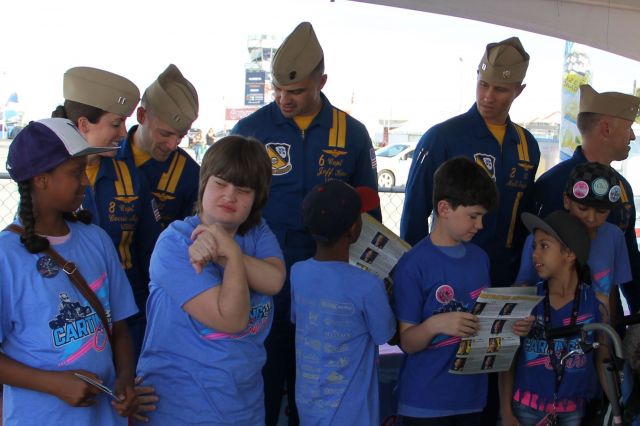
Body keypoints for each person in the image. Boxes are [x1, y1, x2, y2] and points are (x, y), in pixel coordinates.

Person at [232, 22, 380, 426]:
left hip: (328, 288)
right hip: (264, 280)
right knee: (262, 378)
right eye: (277, 90)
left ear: (322, 81)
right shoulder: (250, 132)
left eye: (295, 91)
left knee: (317, 387)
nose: (284, 99)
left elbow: (370, 214)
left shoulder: (351, 133)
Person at [136, 136, 286, 425]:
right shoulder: (175, 243)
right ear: (204, 183)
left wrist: (228, 253)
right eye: (221, 183)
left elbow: (275, 280)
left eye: (243, 190)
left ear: (257, 198)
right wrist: (230, 254)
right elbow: (231, 320)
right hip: (183, 408)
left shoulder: (255, 231)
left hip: (243, 407)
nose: (230, 195)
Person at [0, 118, 140, 424]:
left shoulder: (97, 240)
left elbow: (120, 328)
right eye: (76, 173)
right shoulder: (6, 257)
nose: (86, 182)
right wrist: (54, 384)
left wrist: (125, 378)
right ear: (41, 179)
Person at [392, 157, 534, 426]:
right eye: (473, 216)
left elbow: (486, 323)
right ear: (444, 208)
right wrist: (436, 324)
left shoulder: (480, 258)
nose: (479, 225)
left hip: (473, 398)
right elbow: (408, 342)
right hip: (425, 403)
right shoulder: (414, 264)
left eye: (482, 217)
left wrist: (512, 323)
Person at [400, 37, 540, 288]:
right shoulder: (442, 137)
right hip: (447, 273)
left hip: (505, 276)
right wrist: (417, 271)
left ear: (518, 90)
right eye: (483, 84)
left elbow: (523, 218)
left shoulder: (526, 146)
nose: (487, 96)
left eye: (500, 89)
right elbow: (414, 213)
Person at [51, 66, 162, 359]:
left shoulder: (130, 177)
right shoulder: (48, 181)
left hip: (128, 317)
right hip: (66, 322)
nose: (124, 134)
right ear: (84, 124)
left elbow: (149, 252)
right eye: (116, 124)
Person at [290, 180, 395, 425]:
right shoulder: (368, 285)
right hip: (354, 415)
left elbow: (298, 319)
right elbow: (385, 334)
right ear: (353, 229)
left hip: (309, 409)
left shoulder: (297, 272)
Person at [534, 84, 640, 315]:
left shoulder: (622, 188)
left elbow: (629, 259)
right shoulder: (552, 185)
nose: (632, 135)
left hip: (607, 327)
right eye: (629, 127)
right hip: (557, 329)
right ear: (606, 128)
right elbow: (534, 262)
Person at [500, 211, 609, 426]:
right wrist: (506, 412)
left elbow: (603, 361)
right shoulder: (526, 301)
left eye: (544, 246)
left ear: (569, 254)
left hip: (573, 412)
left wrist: (618, 407)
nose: (535, 254)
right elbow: (507, 363)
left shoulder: (597, 304)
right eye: (534, 247)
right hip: (524, 409)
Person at [517, 162, 631, 322]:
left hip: (593, 334)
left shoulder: (614, 237)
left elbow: (611, 291)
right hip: (543, 333)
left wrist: (607, 337)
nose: (591, 218)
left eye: (601, 211)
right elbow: (524, 289)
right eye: (583, 209)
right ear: (566, 201)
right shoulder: (539, 239)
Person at [118, 64, 200, 232]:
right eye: (165, 134)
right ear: (141, 115)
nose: (172, 145)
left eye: (180, 137)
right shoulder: (107, 156)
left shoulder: (190, 175)